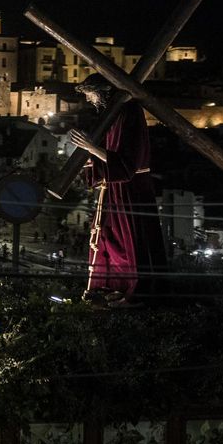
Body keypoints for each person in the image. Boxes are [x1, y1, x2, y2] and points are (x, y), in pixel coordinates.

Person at [69, 73, 168, 308]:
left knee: (130, 242)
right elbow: (110, 155)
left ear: (102, 90)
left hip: (130, 190)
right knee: (111, 240)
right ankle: (115, 286)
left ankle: (133, 291)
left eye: (91, 94)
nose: (91, 100)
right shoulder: (112, 115)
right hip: (114, 190)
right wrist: (92, 160)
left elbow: (127, 164)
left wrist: (91, 148)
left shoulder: (129, 112)